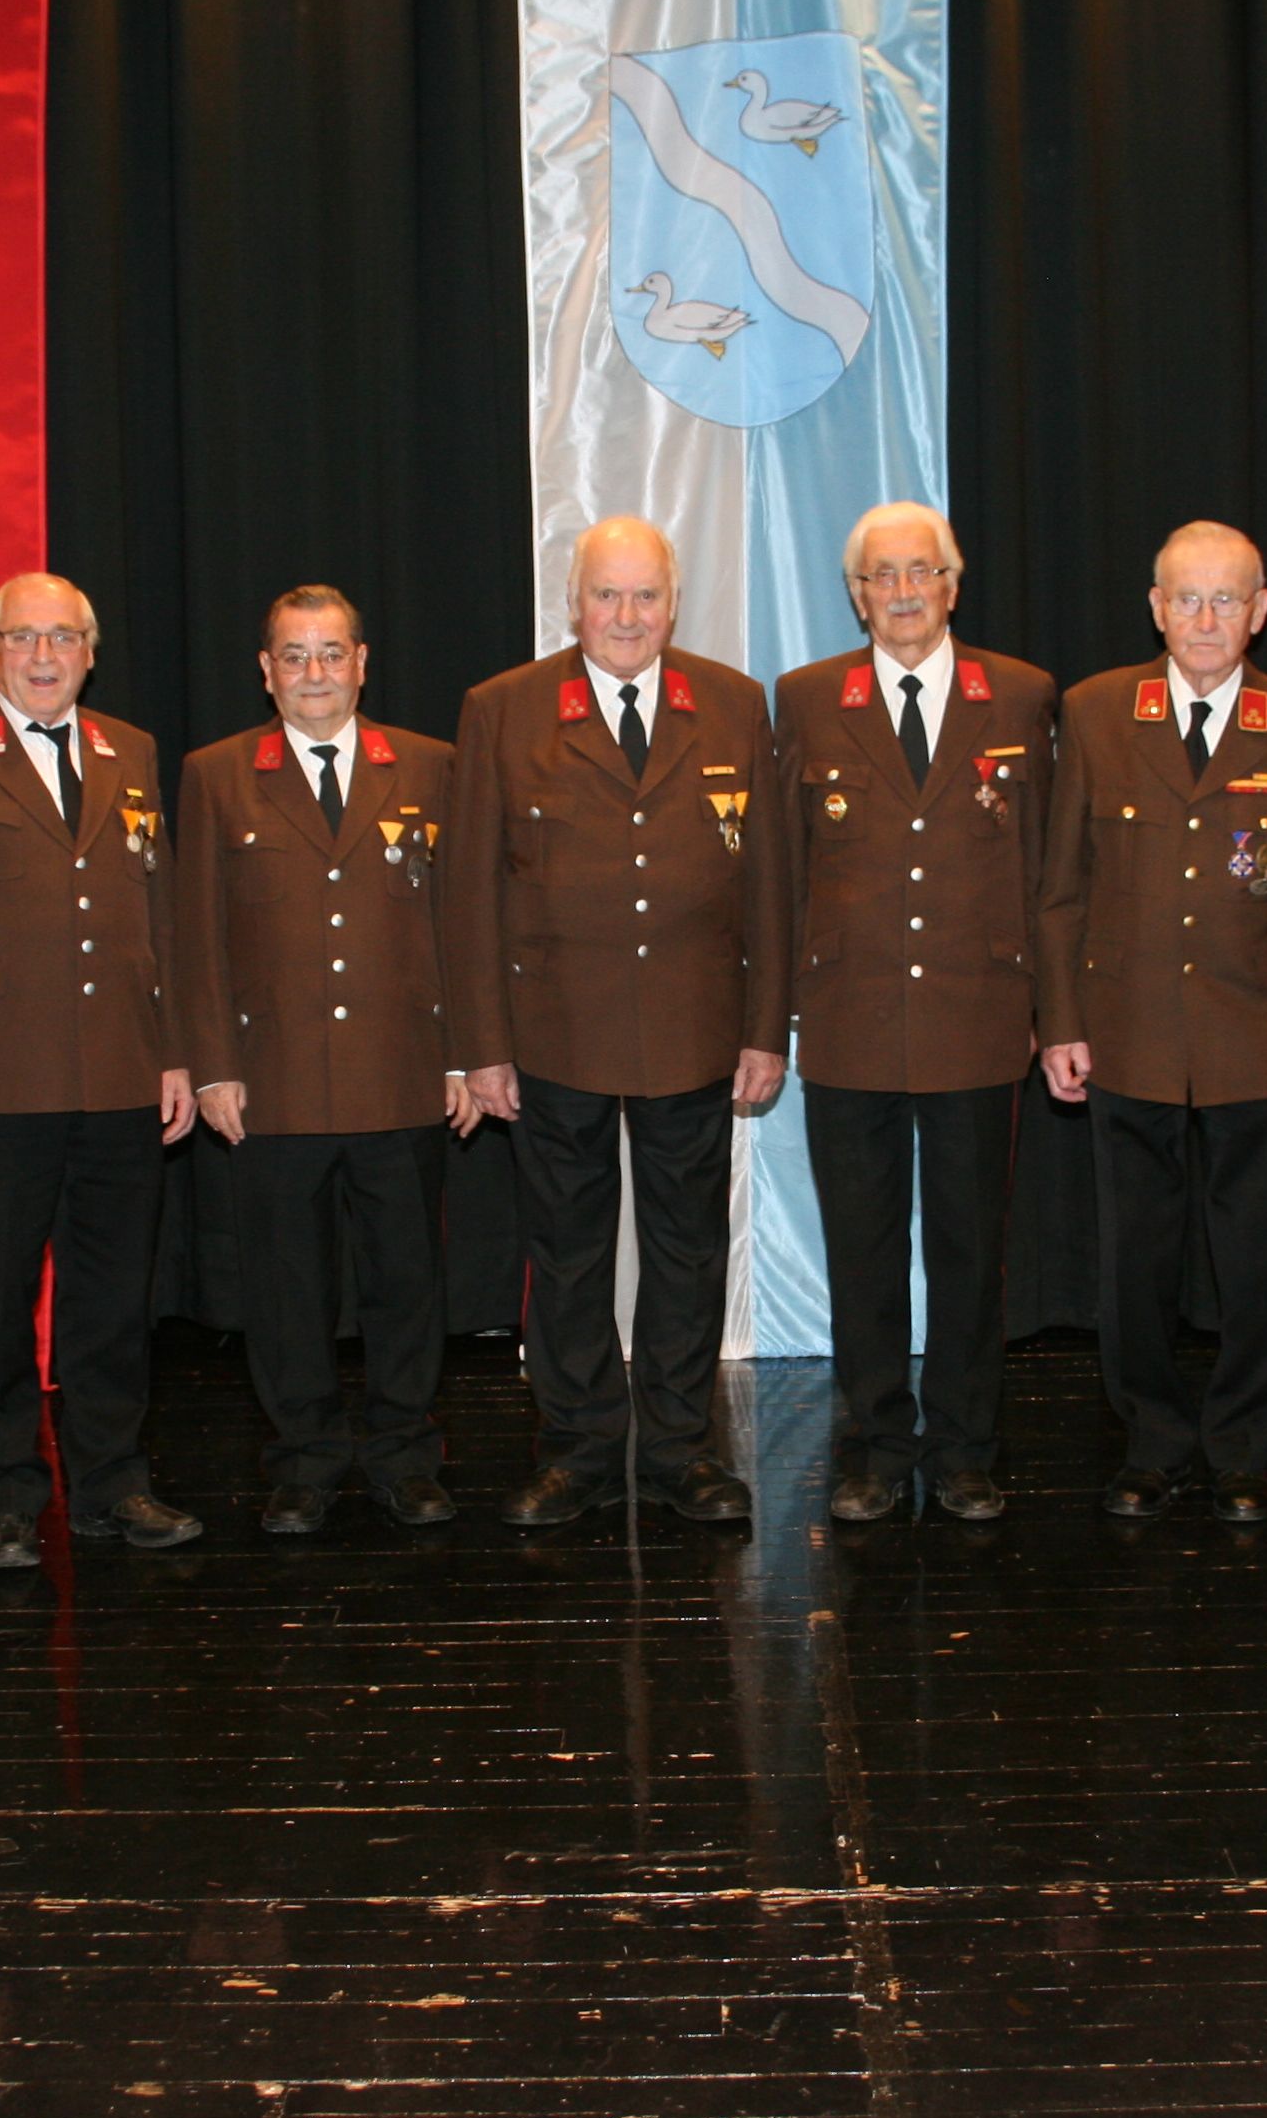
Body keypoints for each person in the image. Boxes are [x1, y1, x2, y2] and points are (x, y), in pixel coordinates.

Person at [441, 516, 788, 1529]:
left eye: (645, 596)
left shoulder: (731, 703)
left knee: (689, 1252)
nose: (627, 616)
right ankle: (580, 1449)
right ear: (574, 603)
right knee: (568, 1254)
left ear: (672, 605)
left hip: (693, 1028)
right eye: (607, 595)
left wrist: (765, 1028)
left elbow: (770, 882)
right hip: (554, 1035)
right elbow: (468, 892)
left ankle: (682, 1448)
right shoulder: (504, 709)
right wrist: (482, 1047)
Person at [0, 573, 200, 1563]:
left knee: (113, 1301)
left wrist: (174, 1052)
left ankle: (112, 1483)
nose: (44, 656)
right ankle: (6, 1494)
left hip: (119, 1078)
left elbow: (161, 915)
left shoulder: (130, 750)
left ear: (91, 653)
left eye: (63, 638)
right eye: (24, 638)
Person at [1036, 520, 1267, 1522]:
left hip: (1255, 1040)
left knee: (1254, 1259)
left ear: (1261, 611)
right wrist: (1060, 1021)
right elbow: (1061, 892)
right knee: (1134, 1261)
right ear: (1156, 608)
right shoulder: (1095, 712)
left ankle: (1243, 1449)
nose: (1206, 619)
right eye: (1187, 598)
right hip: (1125, 1035)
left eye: (1227, 599)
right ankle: (1154, 1441)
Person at [767, 503, 1060, 1525]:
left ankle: (966, 1450)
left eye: (920, 572)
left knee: (973, 1251)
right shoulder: (809, 698)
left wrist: (1051, 1008)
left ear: (953, 583)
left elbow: (1046, 869)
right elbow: (785, 869)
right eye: (881, 576)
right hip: (849, 1014)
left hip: (979, 1013)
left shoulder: (1019, 694)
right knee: (863, 1249)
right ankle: (877, 1448)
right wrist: (777, 1012)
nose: (902, 592)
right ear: (856, 595)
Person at [170, 587, 471, 1535]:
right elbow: (195, 934)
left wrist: (467, 1057)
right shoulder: (216, 774)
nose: (314, 673)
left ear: (362, 663)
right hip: (275, 1082)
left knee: (406, 1283)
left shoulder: (429, 766)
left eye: (331, 653)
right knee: (287, 1289)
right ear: (266, 671)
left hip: (402, 1073)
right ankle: (302, 1461)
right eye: (294, 656)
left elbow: (462, 923)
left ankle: (404, 1455)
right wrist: (212, 1066)